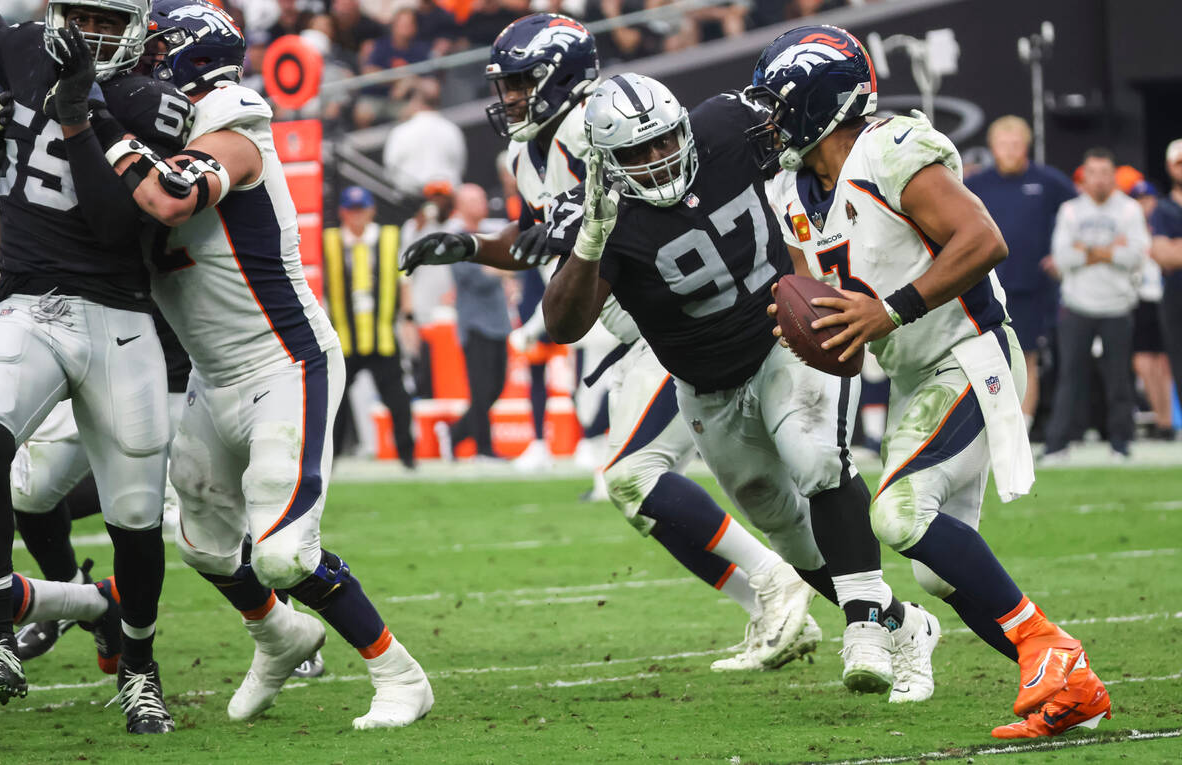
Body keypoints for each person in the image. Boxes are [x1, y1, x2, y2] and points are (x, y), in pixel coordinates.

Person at [403, 13, 819, 672]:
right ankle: (779, 602)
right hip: (638, 331)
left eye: (519, 83)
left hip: (672, 322)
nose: (508, 97)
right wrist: (471, 244)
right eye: (505, 85)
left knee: (635, 476)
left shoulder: (592, 130)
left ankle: (782, 584)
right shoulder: (529, 147)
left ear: (558, 75)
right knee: (640, 488)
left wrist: (562, 228)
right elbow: (545, 235)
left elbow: (616, 219)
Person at [60, 0, 433, 729]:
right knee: (200, 539)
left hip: (283, 362)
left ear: (186, 60)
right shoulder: (152, 127)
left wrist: (95, 116)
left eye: (148, 49)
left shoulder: (235, 125)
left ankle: (399, 672)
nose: (132, 61)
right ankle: (280, 634)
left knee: (286, 553)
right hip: (212, 375)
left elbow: (170, 198)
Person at [751, 25, 1109, 737]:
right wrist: (821, 336)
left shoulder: (893, 150)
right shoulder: (789, 188)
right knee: (941, 572)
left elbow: (984, 241)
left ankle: (1048, 647)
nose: (771, 121)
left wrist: (887, 310)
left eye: (780, 104)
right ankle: (1074, 690)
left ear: (821, 101)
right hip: (915, 373)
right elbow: (830, 311)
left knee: (901, 514)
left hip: (972, 354)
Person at [543, 70, 941, 697]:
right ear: (606, 161)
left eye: (664, 140)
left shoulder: (729, 126)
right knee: (782, 526)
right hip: (705, 387)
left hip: (786, 340)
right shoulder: (604, 215)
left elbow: (817, 131)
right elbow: (563, 324)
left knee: (816, 459)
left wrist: (822, 232)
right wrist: (590, 243)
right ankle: (900, 620)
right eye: (636, 152)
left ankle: (864, 625)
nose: (656, 158)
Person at [0, 0, 180, 730]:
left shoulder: (149, 100)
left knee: (134, 515)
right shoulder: (25, 48)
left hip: (119, 314)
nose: (93, 34)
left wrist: (75, 116)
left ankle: (137, 667)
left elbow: (115, 223)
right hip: (29, 300)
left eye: (109, 19)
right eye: (81, 15)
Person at [966, 116, 1075, 432]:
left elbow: (1077, 216)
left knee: (1026, 356)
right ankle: (989, 426)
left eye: (1016, 144)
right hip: (984, 285)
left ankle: (1022, 428)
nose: (1010, 150)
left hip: (1032, 286)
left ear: (1026, 146)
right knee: (986, 356)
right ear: (992, 147)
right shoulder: (975, 184)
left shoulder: (1049, 181)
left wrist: (1061, 254)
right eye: (1004, 144)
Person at [1043, 149, 1148, 460]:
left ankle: (1121, 444)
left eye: (1105, 172)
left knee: (1119, 381)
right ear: (1084, 177)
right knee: (1070, 378)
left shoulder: (1129, 211)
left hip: (1117, 307)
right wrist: (1109, 250)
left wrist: (1086, 249)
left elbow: (1135, 256)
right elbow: (1062, 259)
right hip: (1078, 305)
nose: (1100, 179)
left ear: (1113, 176)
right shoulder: (1070, 211)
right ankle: (1057, 444)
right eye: (1093, 172)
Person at [324, 186, 417, 467]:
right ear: (342, 213)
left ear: (371, 210)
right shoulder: (329, 241)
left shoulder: (389, 238)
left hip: (383, 336)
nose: (357, 216)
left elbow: (404, 283)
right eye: (351, 211)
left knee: (398, 400)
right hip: (344, 338)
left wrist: (409, 320)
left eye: (361, 210)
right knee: (334, 402)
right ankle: (331, 458)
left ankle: (408, 457)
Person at [435, 183, 512, 460]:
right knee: (481, 388)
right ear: (461, 205)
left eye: (482, 198)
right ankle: (483, 448)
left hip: (499, 321)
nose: (482, 204)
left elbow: (501, 268)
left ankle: (454, 433)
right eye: (475, 200)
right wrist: (500, 270)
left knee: (497, 385)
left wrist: (498, 270)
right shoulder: (457, 239)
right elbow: (474, 277)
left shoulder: (491, 234)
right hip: (475, 323)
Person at [1128, 180, 1174, 440]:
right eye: (1138, 200)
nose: (1144, 205)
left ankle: (1166, 421)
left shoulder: (1164, 223)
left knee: (1164, 362)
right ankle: (1159, 417)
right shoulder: (1128, 227)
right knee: (1144, 361)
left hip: (1164, 296)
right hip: (1139, 298)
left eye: (1148, 199)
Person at [1149, 139, 1182, 410]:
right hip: (1176, 295)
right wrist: (1170, 251)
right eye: (1179, 163)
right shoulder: (1163, 209)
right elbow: (1162, 255)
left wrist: (1175, 246)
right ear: (1170, 167)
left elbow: (1172, 252)